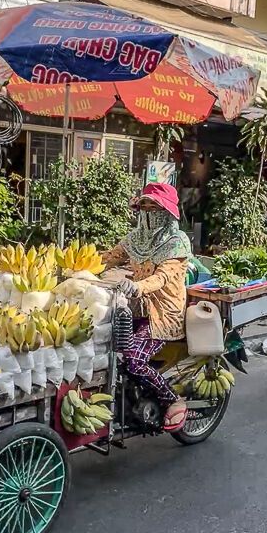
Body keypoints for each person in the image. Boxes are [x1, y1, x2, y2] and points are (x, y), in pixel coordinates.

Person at [103, 183, 191, 432]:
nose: (149, 213)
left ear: (167, 213)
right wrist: (77, 267)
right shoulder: (135, 239)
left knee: (133, 359)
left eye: (155, 209)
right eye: (145, 208)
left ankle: (172, 399)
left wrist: (137, 286)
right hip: (134, 309)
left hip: (163, 315)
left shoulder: (176, 243)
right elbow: (110, 257)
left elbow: (162, 278)